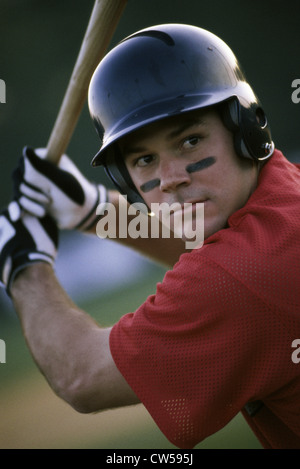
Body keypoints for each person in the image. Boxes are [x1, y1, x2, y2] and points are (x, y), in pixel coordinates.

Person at [0, 24, 299, 449]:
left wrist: (22, 265)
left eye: (190, 141)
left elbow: (83, 376)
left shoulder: (238, 281)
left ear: (248, 127)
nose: (171, 179)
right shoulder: (284, 194)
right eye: (144, 160)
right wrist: (93, 210)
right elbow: (215, 248)